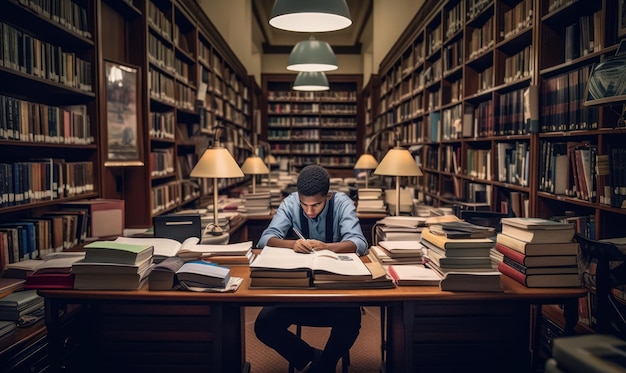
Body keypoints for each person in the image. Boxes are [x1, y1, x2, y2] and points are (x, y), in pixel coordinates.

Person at [254, 164, 369, 372]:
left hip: (335, 292)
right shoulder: (290, 203)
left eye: (316, 205)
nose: (309, 211)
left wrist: (327, 247)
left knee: (352, 319)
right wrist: (292, 244)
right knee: (264, 325)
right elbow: (264, 240)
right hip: (296, 293)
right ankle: (313, 358)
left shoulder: (342, 203)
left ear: (328, 196)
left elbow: (359, 242)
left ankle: (326, 364)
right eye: (304, 204)